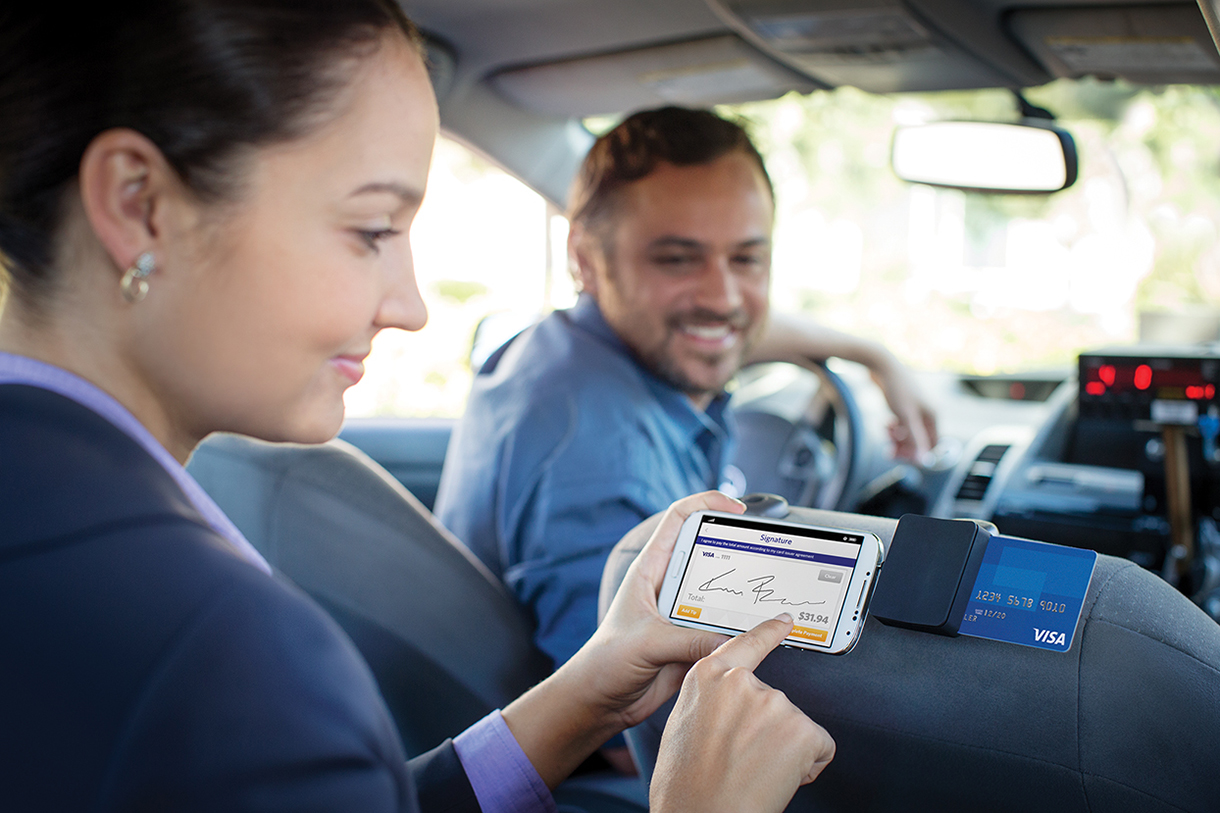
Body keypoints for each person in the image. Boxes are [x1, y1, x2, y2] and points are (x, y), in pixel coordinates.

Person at [0, 3, 834, 811]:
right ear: (140, 204)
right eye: (370, 230)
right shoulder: (226, 651)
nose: (409, 305)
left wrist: (589, 689)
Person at [435, 106, 939, 677]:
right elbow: (619, 719)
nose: (722, 296)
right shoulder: (603, 465)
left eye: (746, 258)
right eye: (678, 259)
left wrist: (873, 355)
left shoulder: (575, 345)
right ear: (586, 260)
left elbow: (724, 327)